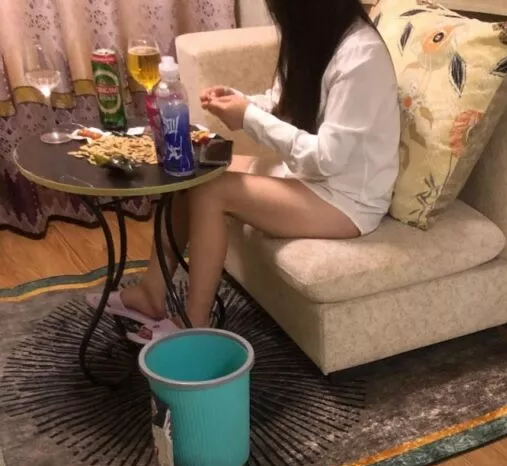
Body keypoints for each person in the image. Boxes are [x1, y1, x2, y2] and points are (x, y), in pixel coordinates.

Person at [112, 0, 400, 340]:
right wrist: (242, 102)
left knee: (211, 190)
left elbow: (326, 158)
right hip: (312, 178)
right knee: (194, 169)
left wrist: (249, 118)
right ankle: (152, 291)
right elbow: (284, 104)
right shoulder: (316, 37)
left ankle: (194, 323)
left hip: (348, 200)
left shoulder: (362, 57)